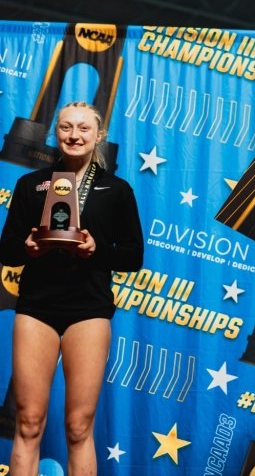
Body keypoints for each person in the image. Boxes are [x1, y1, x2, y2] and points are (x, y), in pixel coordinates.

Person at [0, 101, 144, 475]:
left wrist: (97, 252)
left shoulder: (116, 189)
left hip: (89, 311)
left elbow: (132, 257)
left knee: (79, 427)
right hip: (36, 309)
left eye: (83, 128)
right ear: (56, 133)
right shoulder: (30, 185)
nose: (74, 135)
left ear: (99, 136)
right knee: (29, 422)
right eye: (66, 127)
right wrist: (28, 249)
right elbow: (7, 249)